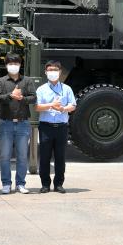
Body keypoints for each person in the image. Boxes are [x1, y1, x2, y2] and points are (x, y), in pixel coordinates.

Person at [0, 53, 37, 195]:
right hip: (5, 123)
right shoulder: (0, 81)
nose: (13, 66)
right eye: (11, 63)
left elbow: (33, 98)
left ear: (20, 65)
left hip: (23, 123)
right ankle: (6, 183)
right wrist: (10, 96)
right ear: (6, 65)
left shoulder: (27, 81)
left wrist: (22, 98)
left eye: (16, 63)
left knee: (22, 156)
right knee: (5, 156)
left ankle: (20, 183)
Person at [35, 60, 76, 194]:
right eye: (50, 70)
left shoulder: (66, 89)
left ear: (60, 72)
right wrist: (51, 105)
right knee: (45, 157)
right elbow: (37, 107)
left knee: (60, 157)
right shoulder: (41, 89)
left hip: (61, 127)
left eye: (55, 70)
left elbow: (73, 106)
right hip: (46, 127)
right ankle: (45, 184)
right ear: (45, 72)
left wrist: (63, 108)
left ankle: (59, 184)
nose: (53, 72)